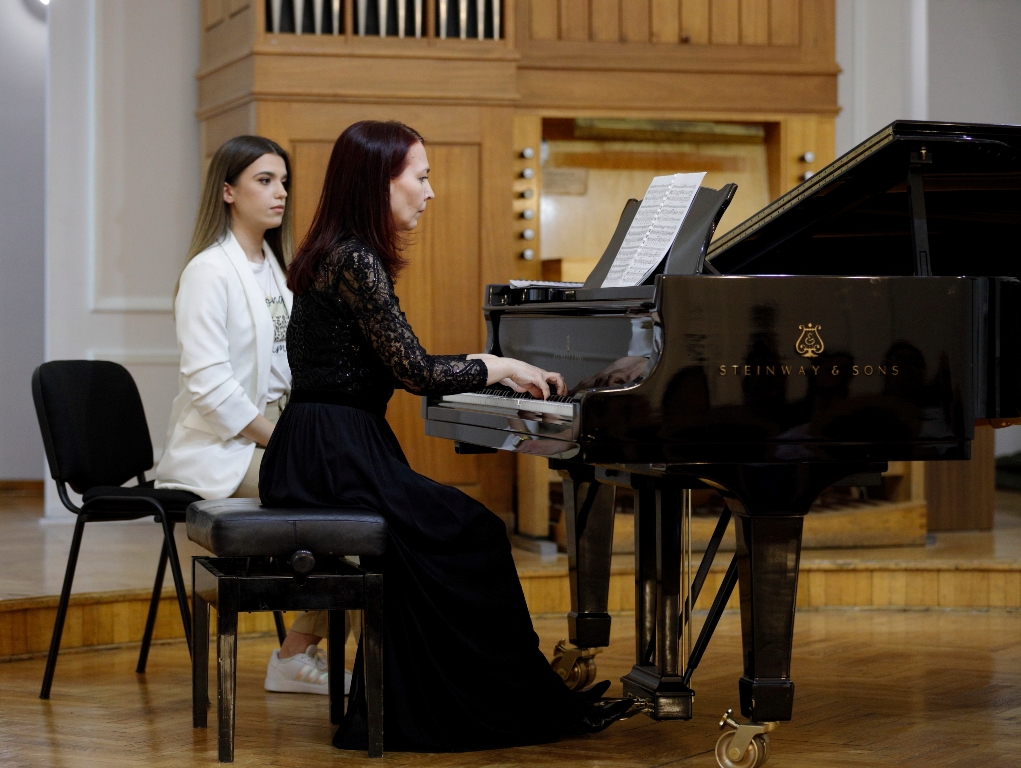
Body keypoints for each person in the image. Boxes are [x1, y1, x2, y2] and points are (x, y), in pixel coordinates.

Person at [259, 120, 633, 751]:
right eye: (422, 176)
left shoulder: (336, 252)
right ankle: (497, 704)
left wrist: (494, 371)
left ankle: (485, 695)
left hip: (320, 447)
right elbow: (416, 372)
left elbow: (406, 365)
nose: (430, 192)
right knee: (474, 530)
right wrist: (502, 368)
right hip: (335, 453)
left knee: (453, 531)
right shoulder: (356, 260)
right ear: (381, 182)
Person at [155, 135, 346, 696]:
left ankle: (313, 654)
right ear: (228, 191)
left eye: (283, 181)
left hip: (280, 429)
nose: (280, 192)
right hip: (226, 445)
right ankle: (294, 657)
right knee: (342, 503)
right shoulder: (208, 271)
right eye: (264, 180)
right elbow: (210, 386)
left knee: (370, 498)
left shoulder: (280, 271)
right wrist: (284, 443)